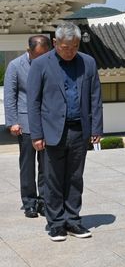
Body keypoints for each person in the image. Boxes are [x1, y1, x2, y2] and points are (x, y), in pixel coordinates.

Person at [27, 22, 103, 241]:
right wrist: (37, 134)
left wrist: (96, 126)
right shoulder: (41, 64)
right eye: (65, 47)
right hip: (51, 132)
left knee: (74, 177)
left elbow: (95, 97)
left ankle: (73, 220)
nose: (70, 51)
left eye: (74, 46)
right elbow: (34, 102)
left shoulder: (88, 63)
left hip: (79, 130)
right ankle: (56, 223)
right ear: (55, 43)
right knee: (52, 179)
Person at [4, 35, 51, 218]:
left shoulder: (51, 64)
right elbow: (10, 95)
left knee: (46, 165)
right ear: (29, 51)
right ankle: (29, 202)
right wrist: (12, 122)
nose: (41, 59)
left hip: (47, 123)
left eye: (44, 55)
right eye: (37, 55)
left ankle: (44, 201)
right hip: (25, 124)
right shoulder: (15, 66)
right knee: (27, 165)